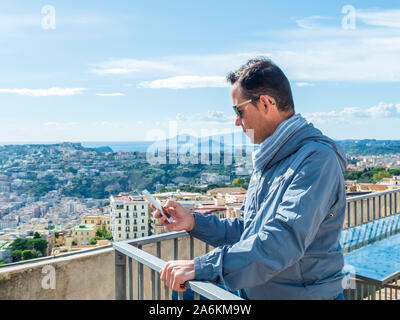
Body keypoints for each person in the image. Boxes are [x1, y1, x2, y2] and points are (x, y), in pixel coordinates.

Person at [153, 58, 347, 300]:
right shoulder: (270, 159)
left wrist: (203, 266)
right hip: (258, 289)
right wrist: (192, 222)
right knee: (186, 293)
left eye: (239, 110)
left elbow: (282, 243)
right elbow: (249, 231)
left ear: (266, 103)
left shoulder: (317, 160)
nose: (236, 121)